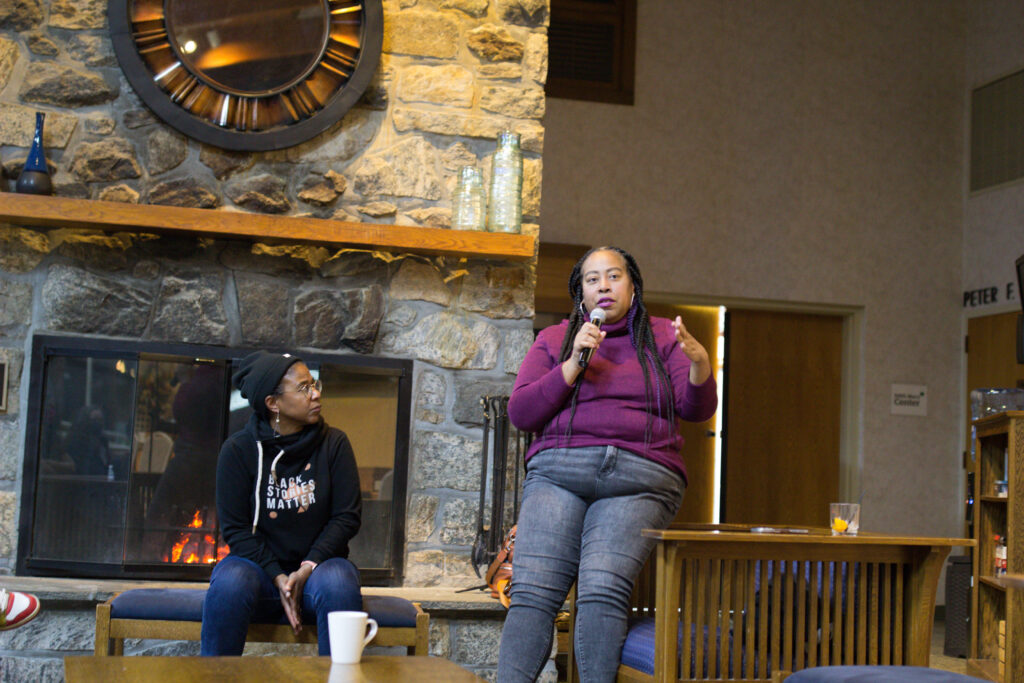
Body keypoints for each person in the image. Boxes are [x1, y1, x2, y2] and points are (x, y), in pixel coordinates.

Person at [497, 246, 718, 682]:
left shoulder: (663, 336)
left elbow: (696, 410)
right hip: (560, 471)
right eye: (592, 279)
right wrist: (573, 362)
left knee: (601, 590)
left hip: (641, 477)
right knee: (533, 593)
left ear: (632, 286)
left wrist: (700, 365)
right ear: (580, 293)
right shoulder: (557, 338)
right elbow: (521, 413)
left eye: (613, 276)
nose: (603, 286)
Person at [201, 351, 362, 656]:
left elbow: (346, 517)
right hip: (258, 570)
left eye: (314, 384)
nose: (315, 394)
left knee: (339, 582)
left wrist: (305, 568)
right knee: (230, 580)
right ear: (272, 403)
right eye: (303, 388)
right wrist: (277, 575)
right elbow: (235, 530)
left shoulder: (334, 444)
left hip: (319, 569)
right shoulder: (238, 450)